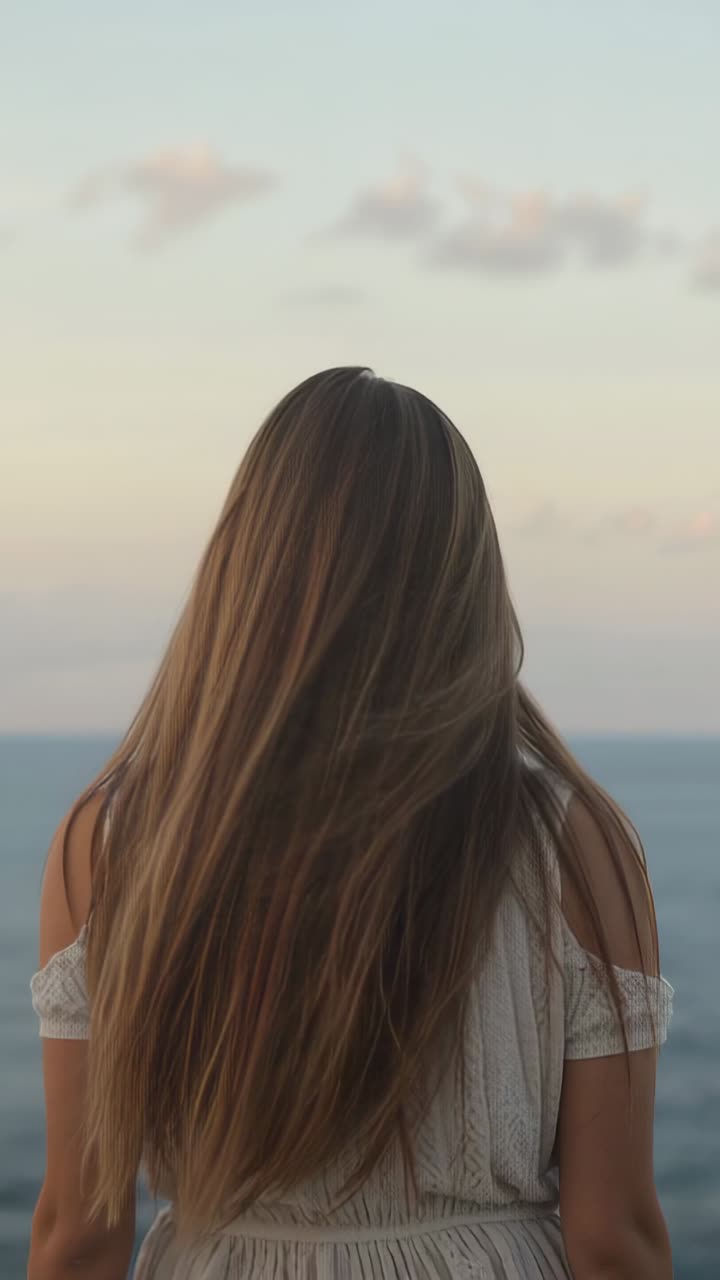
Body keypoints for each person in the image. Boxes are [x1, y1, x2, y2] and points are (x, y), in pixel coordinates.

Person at [27, 367, 674, 1280]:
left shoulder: (110, 843)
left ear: (246, 568)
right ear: (463, 578)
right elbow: (614, 1240)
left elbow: (77, 1234)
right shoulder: (573, 844)